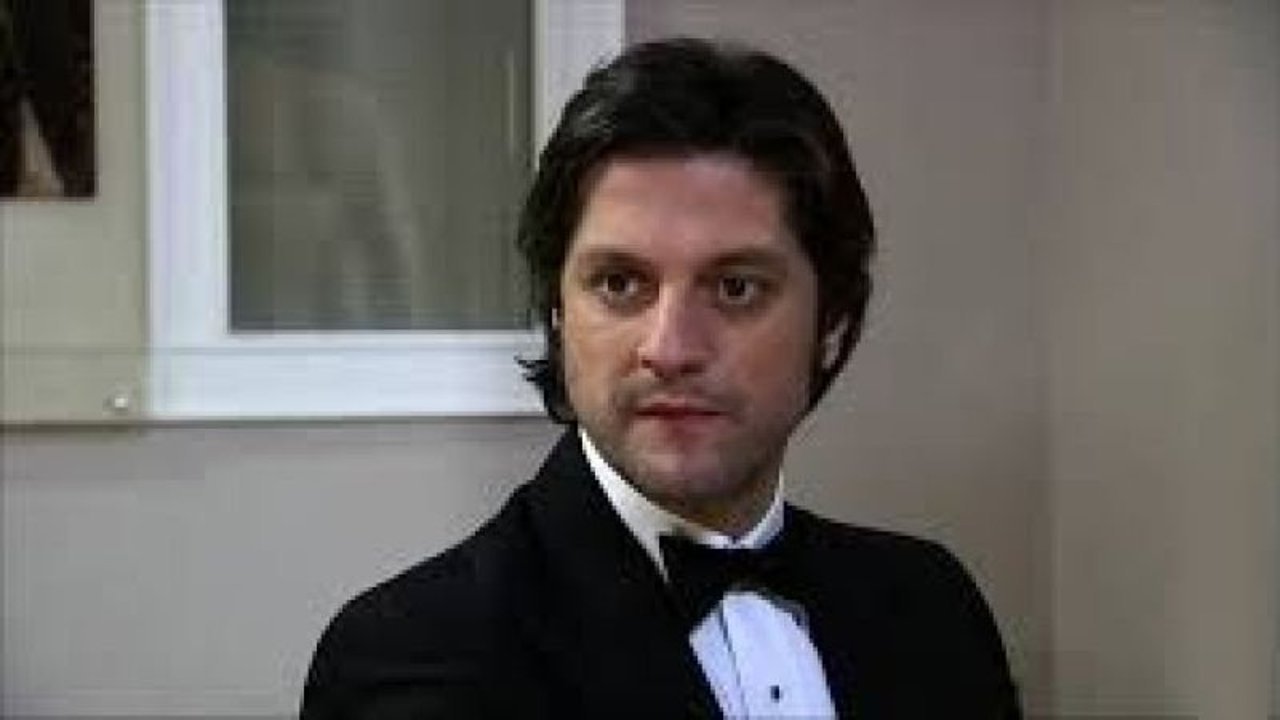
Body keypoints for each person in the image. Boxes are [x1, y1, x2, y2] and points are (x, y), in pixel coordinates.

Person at [301, 38, 1021, 719]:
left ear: (831, 321)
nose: (670, 349)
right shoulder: (414, 656)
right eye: (620, 283)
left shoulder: (932, 605)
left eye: (736, 288)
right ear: (558, 313)